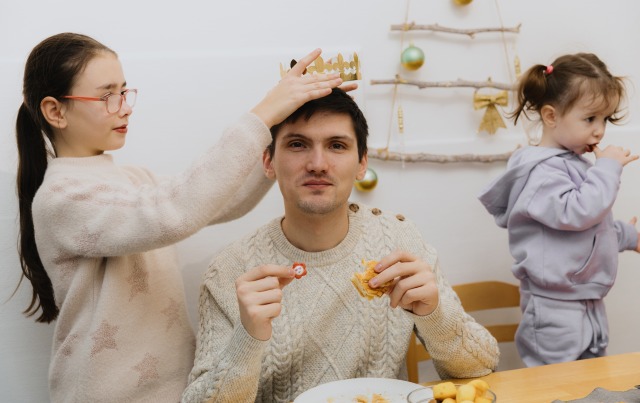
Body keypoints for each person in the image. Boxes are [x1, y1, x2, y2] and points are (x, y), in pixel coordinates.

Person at [15, 32, 351, 402]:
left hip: (173, 390)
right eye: (107, 96)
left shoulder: (131, 181)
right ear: (55, 111)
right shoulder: (62, 198)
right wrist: (265, 112)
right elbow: (176, 211)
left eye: (125, 92)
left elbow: (224, 199)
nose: (125, 106)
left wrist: (280, 125)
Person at [183, 88, 500, 402]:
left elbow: (483, 365)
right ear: (268, 162)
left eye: (337, 145)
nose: (318, 164)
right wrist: (248, 339)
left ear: (362, 163)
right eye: (297, 144)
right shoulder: (230, 270)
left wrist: (434, 315)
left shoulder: (399, 240)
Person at [478, 53, 640, 367]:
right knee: (556, 388)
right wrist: (607, 168)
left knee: (591, 383)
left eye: (605, 120)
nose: (600, 131)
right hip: (554, 307)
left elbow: (591, 229)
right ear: (551, 116)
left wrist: (628, 235)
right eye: (590, 119)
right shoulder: (540, 173)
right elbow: (578, 212)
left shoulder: (572, 165)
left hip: (584, 301)